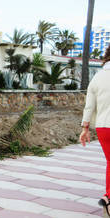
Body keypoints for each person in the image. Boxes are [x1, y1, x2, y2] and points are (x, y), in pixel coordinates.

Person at [80, 44, 110, 215]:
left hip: (103, 127)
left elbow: (89, 106)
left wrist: (85, 128)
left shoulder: (97, 77)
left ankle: (108, 197)